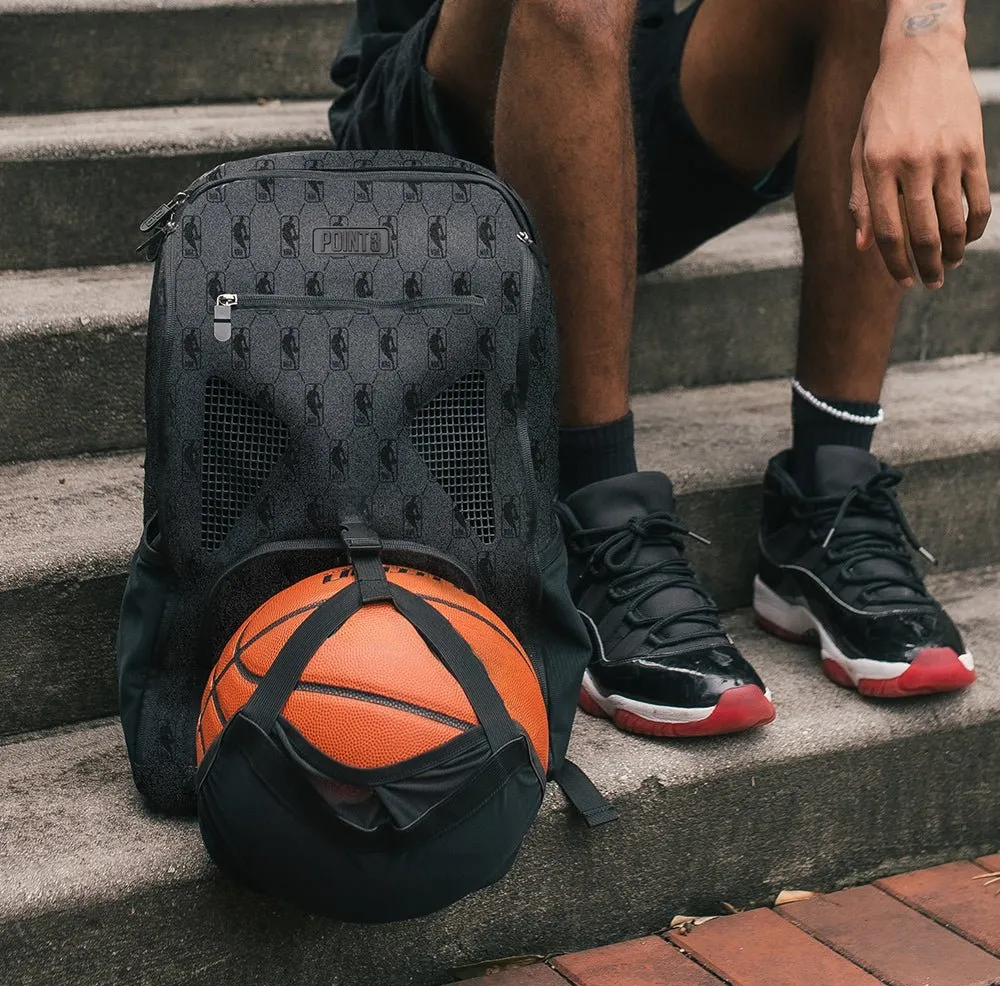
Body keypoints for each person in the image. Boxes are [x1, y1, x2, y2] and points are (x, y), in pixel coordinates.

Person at [328, 0, 989, 738]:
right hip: (435, 117)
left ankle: (827, 493)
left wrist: (928, 38)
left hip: (630, 101)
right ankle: (596, 509)